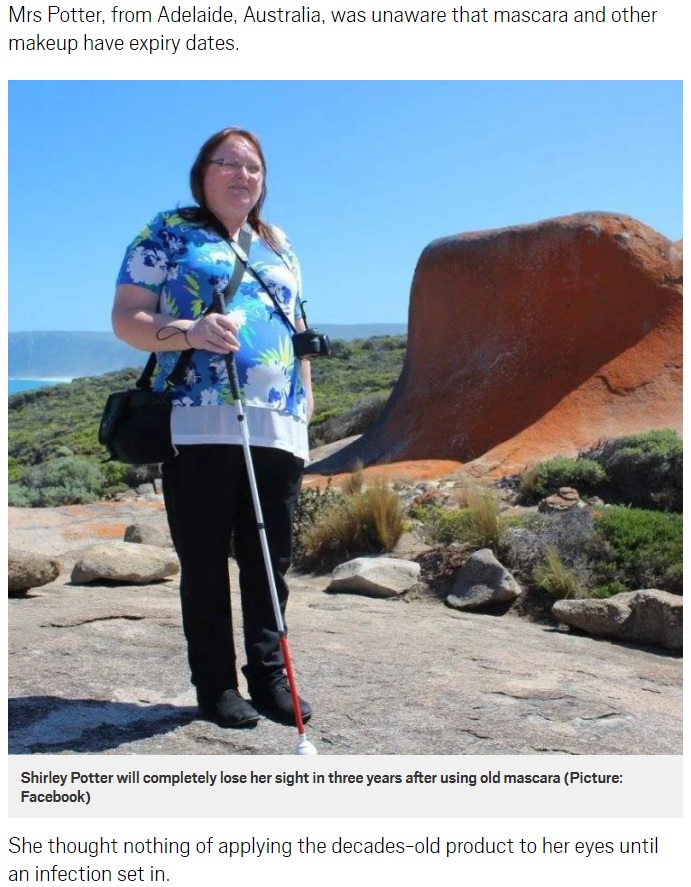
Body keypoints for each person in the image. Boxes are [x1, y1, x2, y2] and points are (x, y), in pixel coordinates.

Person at [112, 127, 314, 729]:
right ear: (202, 172)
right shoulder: (168, 231)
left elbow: (298, 324)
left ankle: (270, 679)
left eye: (253, 166)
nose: (242, 175)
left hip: (276, 424)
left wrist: (304, 394)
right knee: (203, 561)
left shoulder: (277, 243)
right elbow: (127, 318)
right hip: (198, 421)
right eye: (227, 163)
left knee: (268, 560)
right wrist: (190, 331)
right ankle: (215, 685)